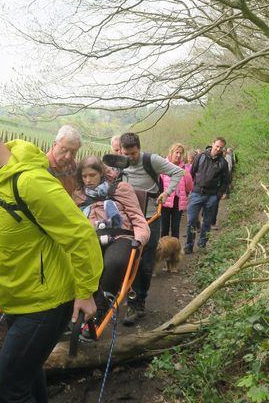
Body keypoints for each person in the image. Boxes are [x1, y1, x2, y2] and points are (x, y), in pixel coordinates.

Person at [0, 109, 102, 403]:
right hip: (20, 298)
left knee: (7, 390)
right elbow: (2, 233)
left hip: (45, 303)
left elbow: (81, 235)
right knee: (28, 375)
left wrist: (86, 291)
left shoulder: (30, 182)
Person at [72, 156, 150, 327]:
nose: (88, 180)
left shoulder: (121, 189)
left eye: (92, 175)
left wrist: (140, 240)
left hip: (120, 235)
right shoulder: (78, 194)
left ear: (101, 173)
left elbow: (137, 218)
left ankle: (100, 311)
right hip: (91, 236)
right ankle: (74, 311)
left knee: (114, 263)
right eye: (84, 176)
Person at [119, 132, 183, 325]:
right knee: (125, 260)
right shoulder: (119, 162)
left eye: (133, 153)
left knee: (146, 263)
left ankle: (138, 303)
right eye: (126, 153)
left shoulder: (151, 160)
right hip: (127, 218)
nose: (129, 158)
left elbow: (178, 172)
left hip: (150, 218)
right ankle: (122, 297)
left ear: (139, 148)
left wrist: (167, 192)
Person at [184, 137, 230, 253]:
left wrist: (218, 195)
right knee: (191, 220)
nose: (218, 149)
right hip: (196, 193)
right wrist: (197, 185)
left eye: (221, 147)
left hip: (212, 196)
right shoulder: (201, 157)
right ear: (212, 144)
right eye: (217, 146)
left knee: (207, 222)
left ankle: (202, 245)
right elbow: (192, 172)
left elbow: (226, 180)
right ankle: (189, 245)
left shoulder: (222, 163)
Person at [161, 143, 193, 238]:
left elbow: (189, 187)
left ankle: (175, 251)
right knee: (164, 228)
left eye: (181, 153)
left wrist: (186, 174)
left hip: (178, 201)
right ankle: (163, 251)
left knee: (175, 229)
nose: (178, 155)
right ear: (171, 153)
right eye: (177, 152)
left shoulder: (184, 168)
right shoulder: (163, 166)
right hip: (165, 201)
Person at [46, 125, 82, 195]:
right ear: (54, 144)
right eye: (64, 150)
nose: (68, 157)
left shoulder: (75, 166)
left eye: (73, 152)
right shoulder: (43, 166)